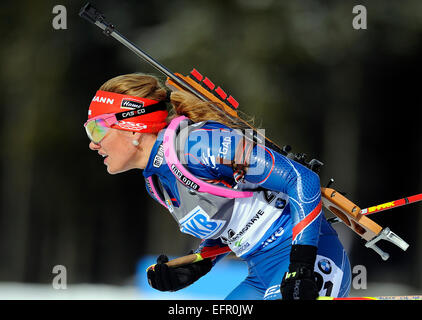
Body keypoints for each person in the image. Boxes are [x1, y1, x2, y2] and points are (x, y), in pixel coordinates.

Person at [84, 73, 351, 300]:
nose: (93, 143)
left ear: (132, 127)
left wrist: (301, 265)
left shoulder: (199, 144)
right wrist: (198, 264)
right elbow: (227, 221)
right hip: (261, 273)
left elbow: (301, 178)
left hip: (308, 259)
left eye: (96, 129)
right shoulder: (155, 182)